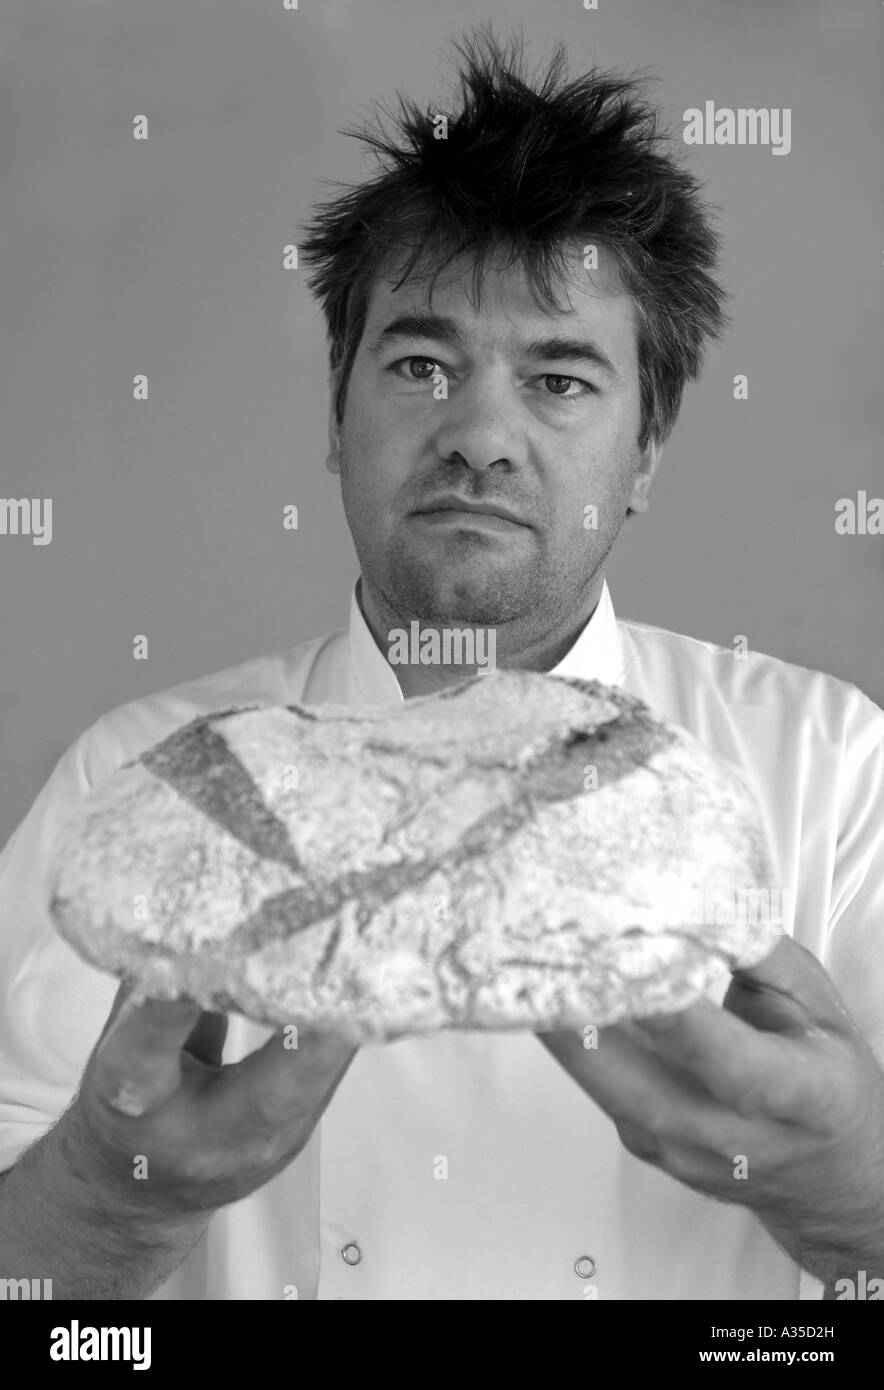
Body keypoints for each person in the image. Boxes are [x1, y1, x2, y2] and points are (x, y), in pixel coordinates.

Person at [1, 30, 882, 1302]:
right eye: (419, 364)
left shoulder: (829, 772)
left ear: (644, 454)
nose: (479, 435)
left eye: (560, 377)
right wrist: (108, 1195)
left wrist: (849, 1181)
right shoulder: (143, 785)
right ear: (334, 413)